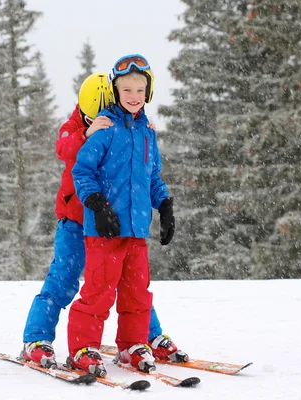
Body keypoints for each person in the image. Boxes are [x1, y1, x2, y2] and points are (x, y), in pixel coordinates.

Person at [21, 71, 187, 369]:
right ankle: (36, 338)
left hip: (113, 225)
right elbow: (65, 149)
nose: (102, 121)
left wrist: (138, 127)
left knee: (130, 282)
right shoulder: (76, 127)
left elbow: (142, 164)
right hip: (76, 221)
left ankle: (150, 335)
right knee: (64, 280)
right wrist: (86, 132)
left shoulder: (118, 125)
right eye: (93, 116)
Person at [67, 55, 177, 377]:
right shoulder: (105, 127)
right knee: (99, 292)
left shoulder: (147, 133)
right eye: (126, 88)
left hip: (137, 231)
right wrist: (98, 206)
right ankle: (83, 348)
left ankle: (131, 345)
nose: (133, 95)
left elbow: (153, 177)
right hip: (105, 230)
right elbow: (82, 171)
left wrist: (165, 206)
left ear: (148, 92)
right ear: (116, 90)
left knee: (137, 293)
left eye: (140, 89)